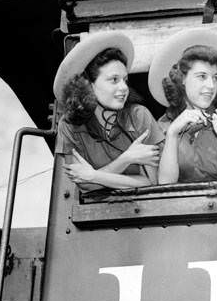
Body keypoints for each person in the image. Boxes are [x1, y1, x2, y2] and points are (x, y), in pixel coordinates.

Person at [53, 31, 163, 191]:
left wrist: (95, 176)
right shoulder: (68, 126)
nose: (124, 88)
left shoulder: (139, 115)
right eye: (114, 80)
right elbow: (84, 184)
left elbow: (153, 183)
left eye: (125, 80)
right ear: (88, 85)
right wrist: (127, 158)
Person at [147, 29, 217, 191]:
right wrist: (173, 133)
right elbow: (164, 187)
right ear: (181, 79)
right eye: (202, 76)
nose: (211, 85)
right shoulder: (160, 128)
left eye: (215, 78)